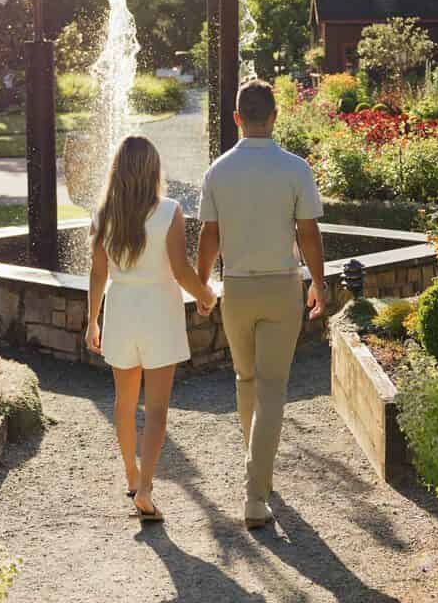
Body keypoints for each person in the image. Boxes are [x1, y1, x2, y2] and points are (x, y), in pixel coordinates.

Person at [195, 79, 327, 529]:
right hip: (281, 287)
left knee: (246, 379)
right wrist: (320, 284)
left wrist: (200, 287)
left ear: (237, 118)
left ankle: (259, 475)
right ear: (274, 117)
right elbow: (308, 233)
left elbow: (208, 236)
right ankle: (256, 492)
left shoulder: (217, 171)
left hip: (236, 288)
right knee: (272, 387)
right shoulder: (296, 168)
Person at [84, 135, 217, 523]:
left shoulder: (102, 214)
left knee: (125, 403)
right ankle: (145, 488)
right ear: (154, 170)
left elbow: (97, 273)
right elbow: (180, 270)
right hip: (160, 310)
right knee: (156, 408)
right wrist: (206, 295)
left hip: (122, 310)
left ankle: (130, 475)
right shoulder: (169, 211)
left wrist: (92, 319)